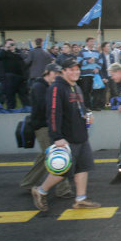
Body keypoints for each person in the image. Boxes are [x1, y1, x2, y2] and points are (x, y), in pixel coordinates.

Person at [30, 58, 101, 211]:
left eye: (77, 69)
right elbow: (53, 113)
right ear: (63, 71)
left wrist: (88, 114)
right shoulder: (57, 88)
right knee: (63, 170)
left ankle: (80, 199)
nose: (75, 72)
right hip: (67, 137)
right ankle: (40, 191)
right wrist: (57, 137)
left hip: (81, 135)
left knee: (83, 167)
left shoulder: (76, 87)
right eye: (71, 69)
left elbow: (81, 108)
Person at [19, 63, 73, 197]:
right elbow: (46, 108)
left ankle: (28, 182)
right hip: (43, 127)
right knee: (58, 157)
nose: (58, 76)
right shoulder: (39, 87)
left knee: (45, 156)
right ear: (47, 72)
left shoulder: (46, 86)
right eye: (55, 73)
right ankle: (63, 190)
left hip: (45, 126)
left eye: (59, 74)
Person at [0, 39, 30, 110]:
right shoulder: (3, 53)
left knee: (24, 95)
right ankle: (11, 111)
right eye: (10, 44)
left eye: (13, 44)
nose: (12, 46)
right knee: (10, 97)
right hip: (9, 78)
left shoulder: (17, 54)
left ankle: (27, 109)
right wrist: (6, 48)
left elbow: (23, 65)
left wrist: (25, 77)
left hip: (20, 78)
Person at [77, 37, 103, 110]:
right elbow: (78, 62)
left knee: (95, 91)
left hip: (94, 75)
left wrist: (97, 68)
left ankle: (95, 106)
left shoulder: (97, 52)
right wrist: (87, 61)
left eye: (93, 42)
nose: (92, 43)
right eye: (91, 41)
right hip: (85, 75)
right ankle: (87, 106)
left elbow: (100, 61)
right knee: (86, 91)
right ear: (87, 42)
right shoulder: (81, 52)